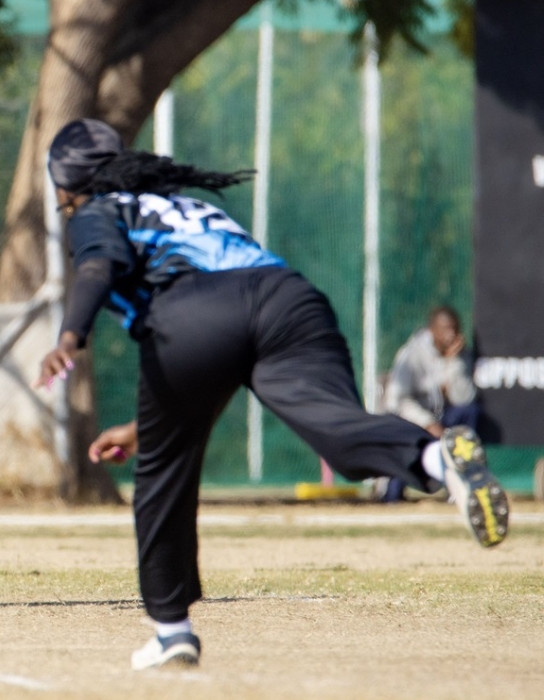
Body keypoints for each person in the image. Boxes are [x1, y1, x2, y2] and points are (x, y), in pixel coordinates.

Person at [34, 118, 509, 669]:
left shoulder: (98, 209)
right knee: (338, 427)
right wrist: (149, 427)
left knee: (163, 474)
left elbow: (99, 266)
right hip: (289, 298)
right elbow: (227, 338)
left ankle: (172, 630)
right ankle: (436, 458)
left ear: (67, 183)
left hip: (193, 312)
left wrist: (70, 337)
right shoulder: (179, 205)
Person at [377, 305, 479, 502]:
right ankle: (392, 494)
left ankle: (461, 485)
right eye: (445, 328)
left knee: (469, 412)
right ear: (433, 329)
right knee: (402, 432)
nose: (451, 334)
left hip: (442, 418)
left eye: (454, 328)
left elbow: (464, 399)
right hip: (413, 419)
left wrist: (453, 362)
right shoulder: (412, 354)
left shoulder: (460, 355)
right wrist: (427, 422)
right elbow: (397, 400)